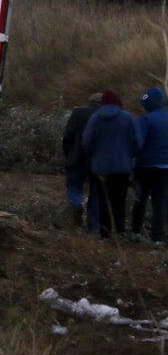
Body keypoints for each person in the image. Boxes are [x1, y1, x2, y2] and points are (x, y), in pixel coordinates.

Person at [82, 90, 141, 239]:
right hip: (122, 167)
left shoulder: (95, 119)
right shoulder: (129, 118)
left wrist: (94, 155)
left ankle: (105, 234)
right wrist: (129, 155)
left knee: (103, 200)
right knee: (119, 200)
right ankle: (119, 231)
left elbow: (86, 142)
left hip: (100, 167)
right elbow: (138, 143)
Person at [131, 86, 168, 245]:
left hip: (145, 166)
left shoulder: (145, 120)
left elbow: (137, 143)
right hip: (165, 166)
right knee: (160, 202)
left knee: (140, 199)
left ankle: (136, 231)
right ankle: (158, 237)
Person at [63, 92, 102, 229]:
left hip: (76, 157)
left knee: (73, 186)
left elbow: (68, 135)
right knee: (96, 193)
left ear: (89, 101)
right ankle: (93, 226)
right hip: (97, 161)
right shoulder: (105, 115)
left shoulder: (78, 112)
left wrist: (67, 154)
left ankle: (76, 203)